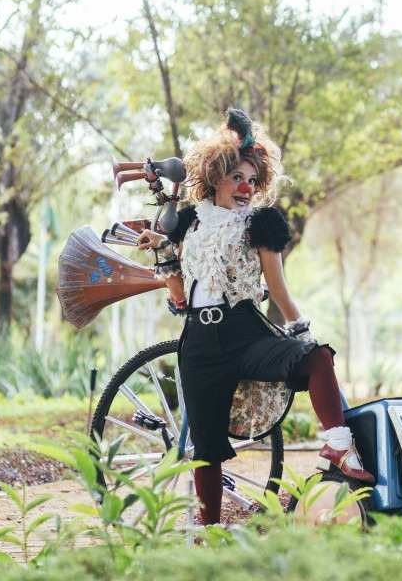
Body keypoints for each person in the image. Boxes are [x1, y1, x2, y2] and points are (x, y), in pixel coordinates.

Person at [137, 109, 373, 526]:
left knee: (317, 358)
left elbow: (277, 288)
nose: (245, 187)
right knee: (206, 448)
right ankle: (208, 532)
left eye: (251, 179)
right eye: (236, 178)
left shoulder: (262, 224)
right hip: (199, 342)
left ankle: (338, 444)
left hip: (245, 332)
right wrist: (160, 251)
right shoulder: (189, 220)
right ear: (214, 178)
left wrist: (300, 329)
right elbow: (177, 295)